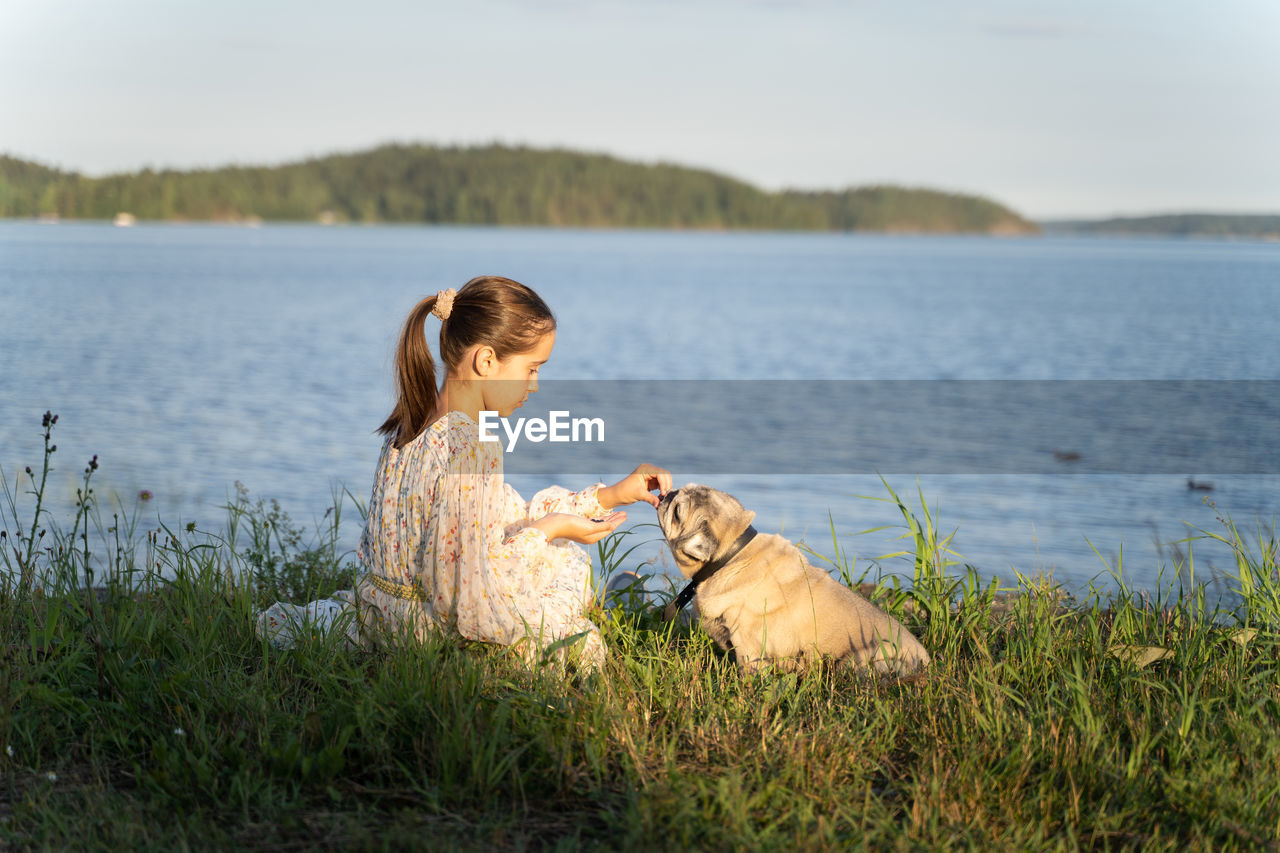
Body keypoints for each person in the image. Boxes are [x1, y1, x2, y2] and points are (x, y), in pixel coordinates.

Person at [256, 275, 671, 671]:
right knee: (567, 569)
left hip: (380, 617)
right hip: (428, 632)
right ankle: (620, 602)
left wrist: (614, 494)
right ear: (487, 360)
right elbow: (469, 597)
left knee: (542, 544)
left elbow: (503, 513)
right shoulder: (471, 447)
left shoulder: (411, 424)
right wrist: (550, 529)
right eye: (532, 368)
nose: (536, 384)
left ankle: (614, 593)